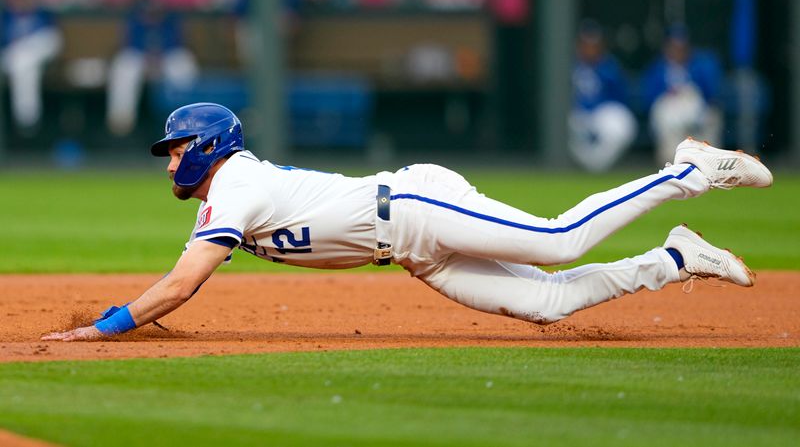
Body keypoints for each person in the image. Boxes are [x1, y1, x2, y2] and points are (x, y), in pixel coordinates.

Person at [42, 103, 772, 342]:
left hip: (415, 204)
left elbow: (181, 284)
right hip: (412, 251)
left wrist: (108, 326)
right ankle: (675, 260)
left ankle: (688, 171)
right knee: (547, 304)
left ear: (205, 148)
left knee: (558, 238)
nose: (168, 164)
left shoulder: (235, 185)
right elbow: (182, 276)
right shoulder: (225, 196)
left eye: (174, 151)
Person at [106, 0, 198, 137]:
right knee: (124, 66)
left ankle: (187, 122)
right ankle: (121, 122)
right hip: (141, 58)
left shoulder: (171, 20)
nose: (151, 14)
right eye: (147, 11)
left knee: (183, 65)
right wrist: (150, 60)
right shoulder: (134, 21)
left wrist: (158, 60)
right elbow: (128, 45)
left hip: (167, 58)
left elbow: (178, 44)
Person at [642, 24, 724, 165]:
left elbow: (711, 93)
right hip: (669, 109)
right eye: (674, 46)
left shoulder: (700, 64)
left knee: (712, 116)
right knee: (664, 116)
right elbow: (649, 98)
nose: (678, 50)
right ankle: (671, 161)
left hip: (695, 107)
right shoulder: (658, 67)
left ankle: (711, 161)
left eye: (681, 47)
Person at [569, 19, 637, 172]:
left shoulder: (609, 66)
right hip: (576, 114)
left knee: (621, 126)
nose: (590, 49)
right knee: (566, 125)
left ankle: (596, 167)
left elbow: (621, 98)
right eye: (586, 44)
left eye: (593, 45)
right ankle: (579, 166)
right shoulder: (570, 64)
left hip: (601, 113)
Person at [1, 0, 62, 133]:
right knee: (22, 61)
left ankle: (26, 121)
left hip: (36, 58)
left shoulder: (43, 14)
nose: (22, 0)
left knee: (26, 61)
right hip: (11, 58)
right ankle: (28, 121)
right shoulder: (6, 17)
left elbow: (52, 39)